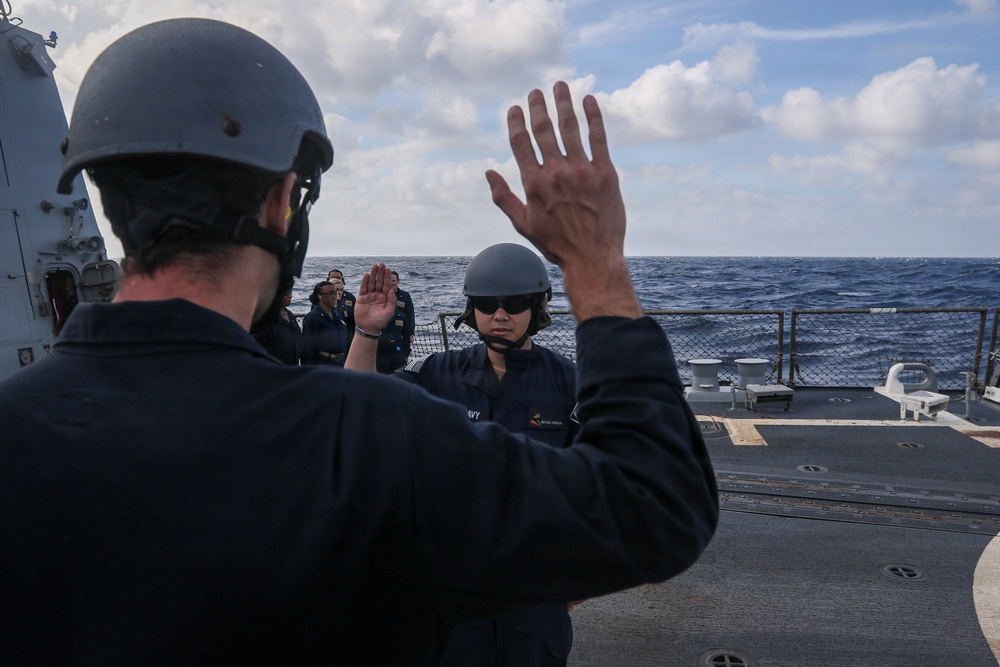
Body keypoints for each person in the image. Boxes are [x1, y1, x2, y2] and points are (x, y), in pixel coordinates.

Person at [0, 17, 718, 666]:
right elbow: (654, 505)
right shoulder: (374, 439)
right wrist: (594, 264)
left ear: (105, 191)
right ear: (283, 202)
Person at [396, 243, 578, 666]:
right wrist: (367, 333)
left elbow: (594, 485)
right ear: (471, 309)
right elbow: (359, 406)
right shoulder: (436, 375)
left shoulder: (569, 384)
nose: (500, 315)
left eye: (514, 304)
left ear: (537, 307)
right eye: (486, 304)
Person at [375, 269, 415, 374]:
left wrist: (411, 332)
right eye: (389, 281)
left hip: (401, 328)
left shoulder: (405, 296)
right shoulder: (381, 295)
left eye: (393, 281)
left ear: (398, 281)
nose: (391, 283)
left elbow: (410, 314)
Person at [301, 280, 350, 366]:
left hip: (340, 363)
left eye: (335, 293)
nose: (335, 296)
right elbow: (307, 348)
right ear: (320, 296)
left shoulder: (336, 314)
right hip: (323, 364)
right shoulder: (313, 318)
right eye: (330, 293)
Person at [251, 287, 302, 365]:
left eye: (290, 292)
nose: (290, 296)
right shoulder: (265, 318)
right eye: (286, 293)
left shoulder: (290, 315)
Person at [327, 268, 356, 339]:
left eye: (338, 278)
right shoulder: (322, 300)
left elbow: (353, 320)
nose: (338, 292)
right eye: (333, 277)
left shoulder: (349, 297)